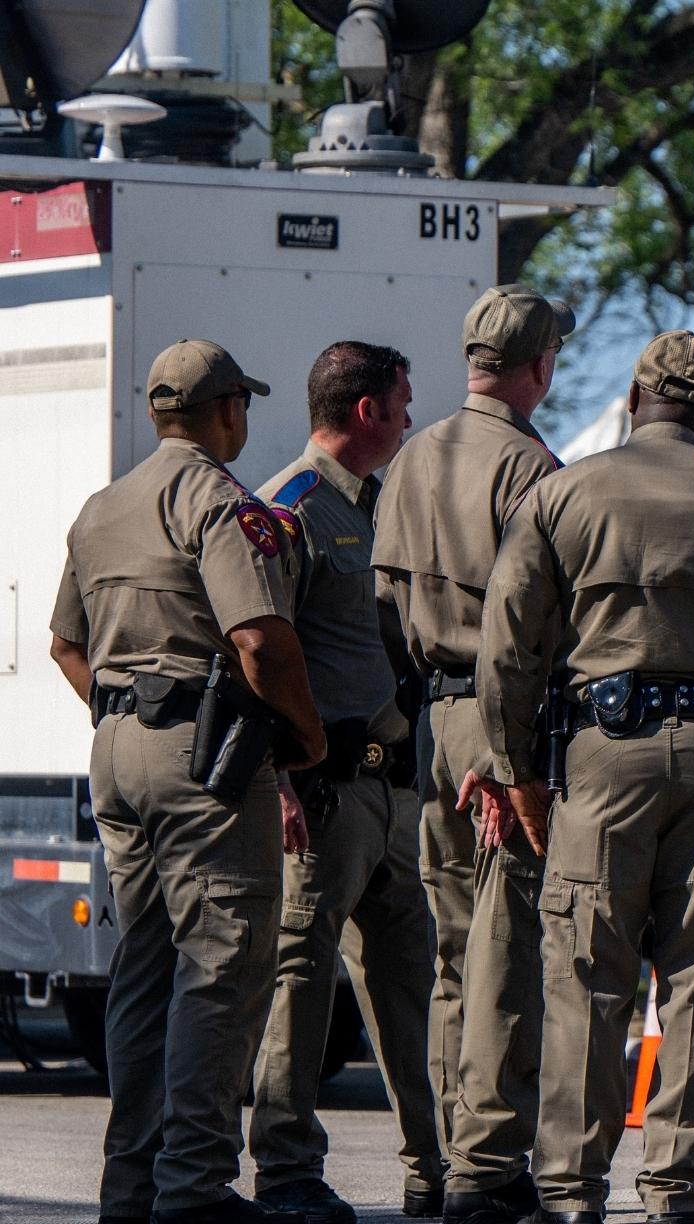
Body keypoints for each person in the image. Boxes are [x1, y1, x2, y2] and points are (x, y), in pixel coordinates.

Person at [466, 330, 694, 1224]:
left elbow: (508, 648)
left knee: (587, 973)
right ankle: (680, 1188)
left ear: (635, 401)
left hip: (601, 754)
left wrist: (516, 767)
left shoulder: (562, 494)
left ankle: (567, 1191)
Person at [49, 339, 327, 1224]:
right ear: (226, 412)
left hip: (117, 745)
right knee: (225, 963)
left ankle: (132, 1185)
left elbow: (64, 644)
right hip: (198, 761)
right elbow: (258, 638)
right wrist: (305, 736)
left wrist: (130, 711)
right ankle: (195, 1187)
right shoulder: (215, 499)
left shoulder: (102, 507)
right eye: (242, 403)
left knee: (147, 968)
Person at [372, 285, 573, 1224]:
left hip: (433, 721)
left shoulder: (413, 455)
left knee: (456, 952)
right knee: (505, 951)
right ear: (538, 366)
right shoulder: (528, 466)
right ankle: (489, 1169)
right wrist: (510, 753)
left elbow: (379, 606)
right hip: (503, 726)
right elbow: (531, 624)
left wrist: (433, 722)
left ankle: (454, 1155)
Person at [247, 342, 443, 1223]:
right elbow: (251, 646)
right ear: (366, 410)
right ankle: (287, 1170)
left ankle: (436, 1166)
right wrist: (278, 779)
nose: (409, 416)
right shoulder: (288, 508)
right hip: (322, 796)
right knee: (301, 980)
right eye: (402, 402)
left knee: (412, 983)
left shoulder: (379, 506)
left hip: (393, 791)